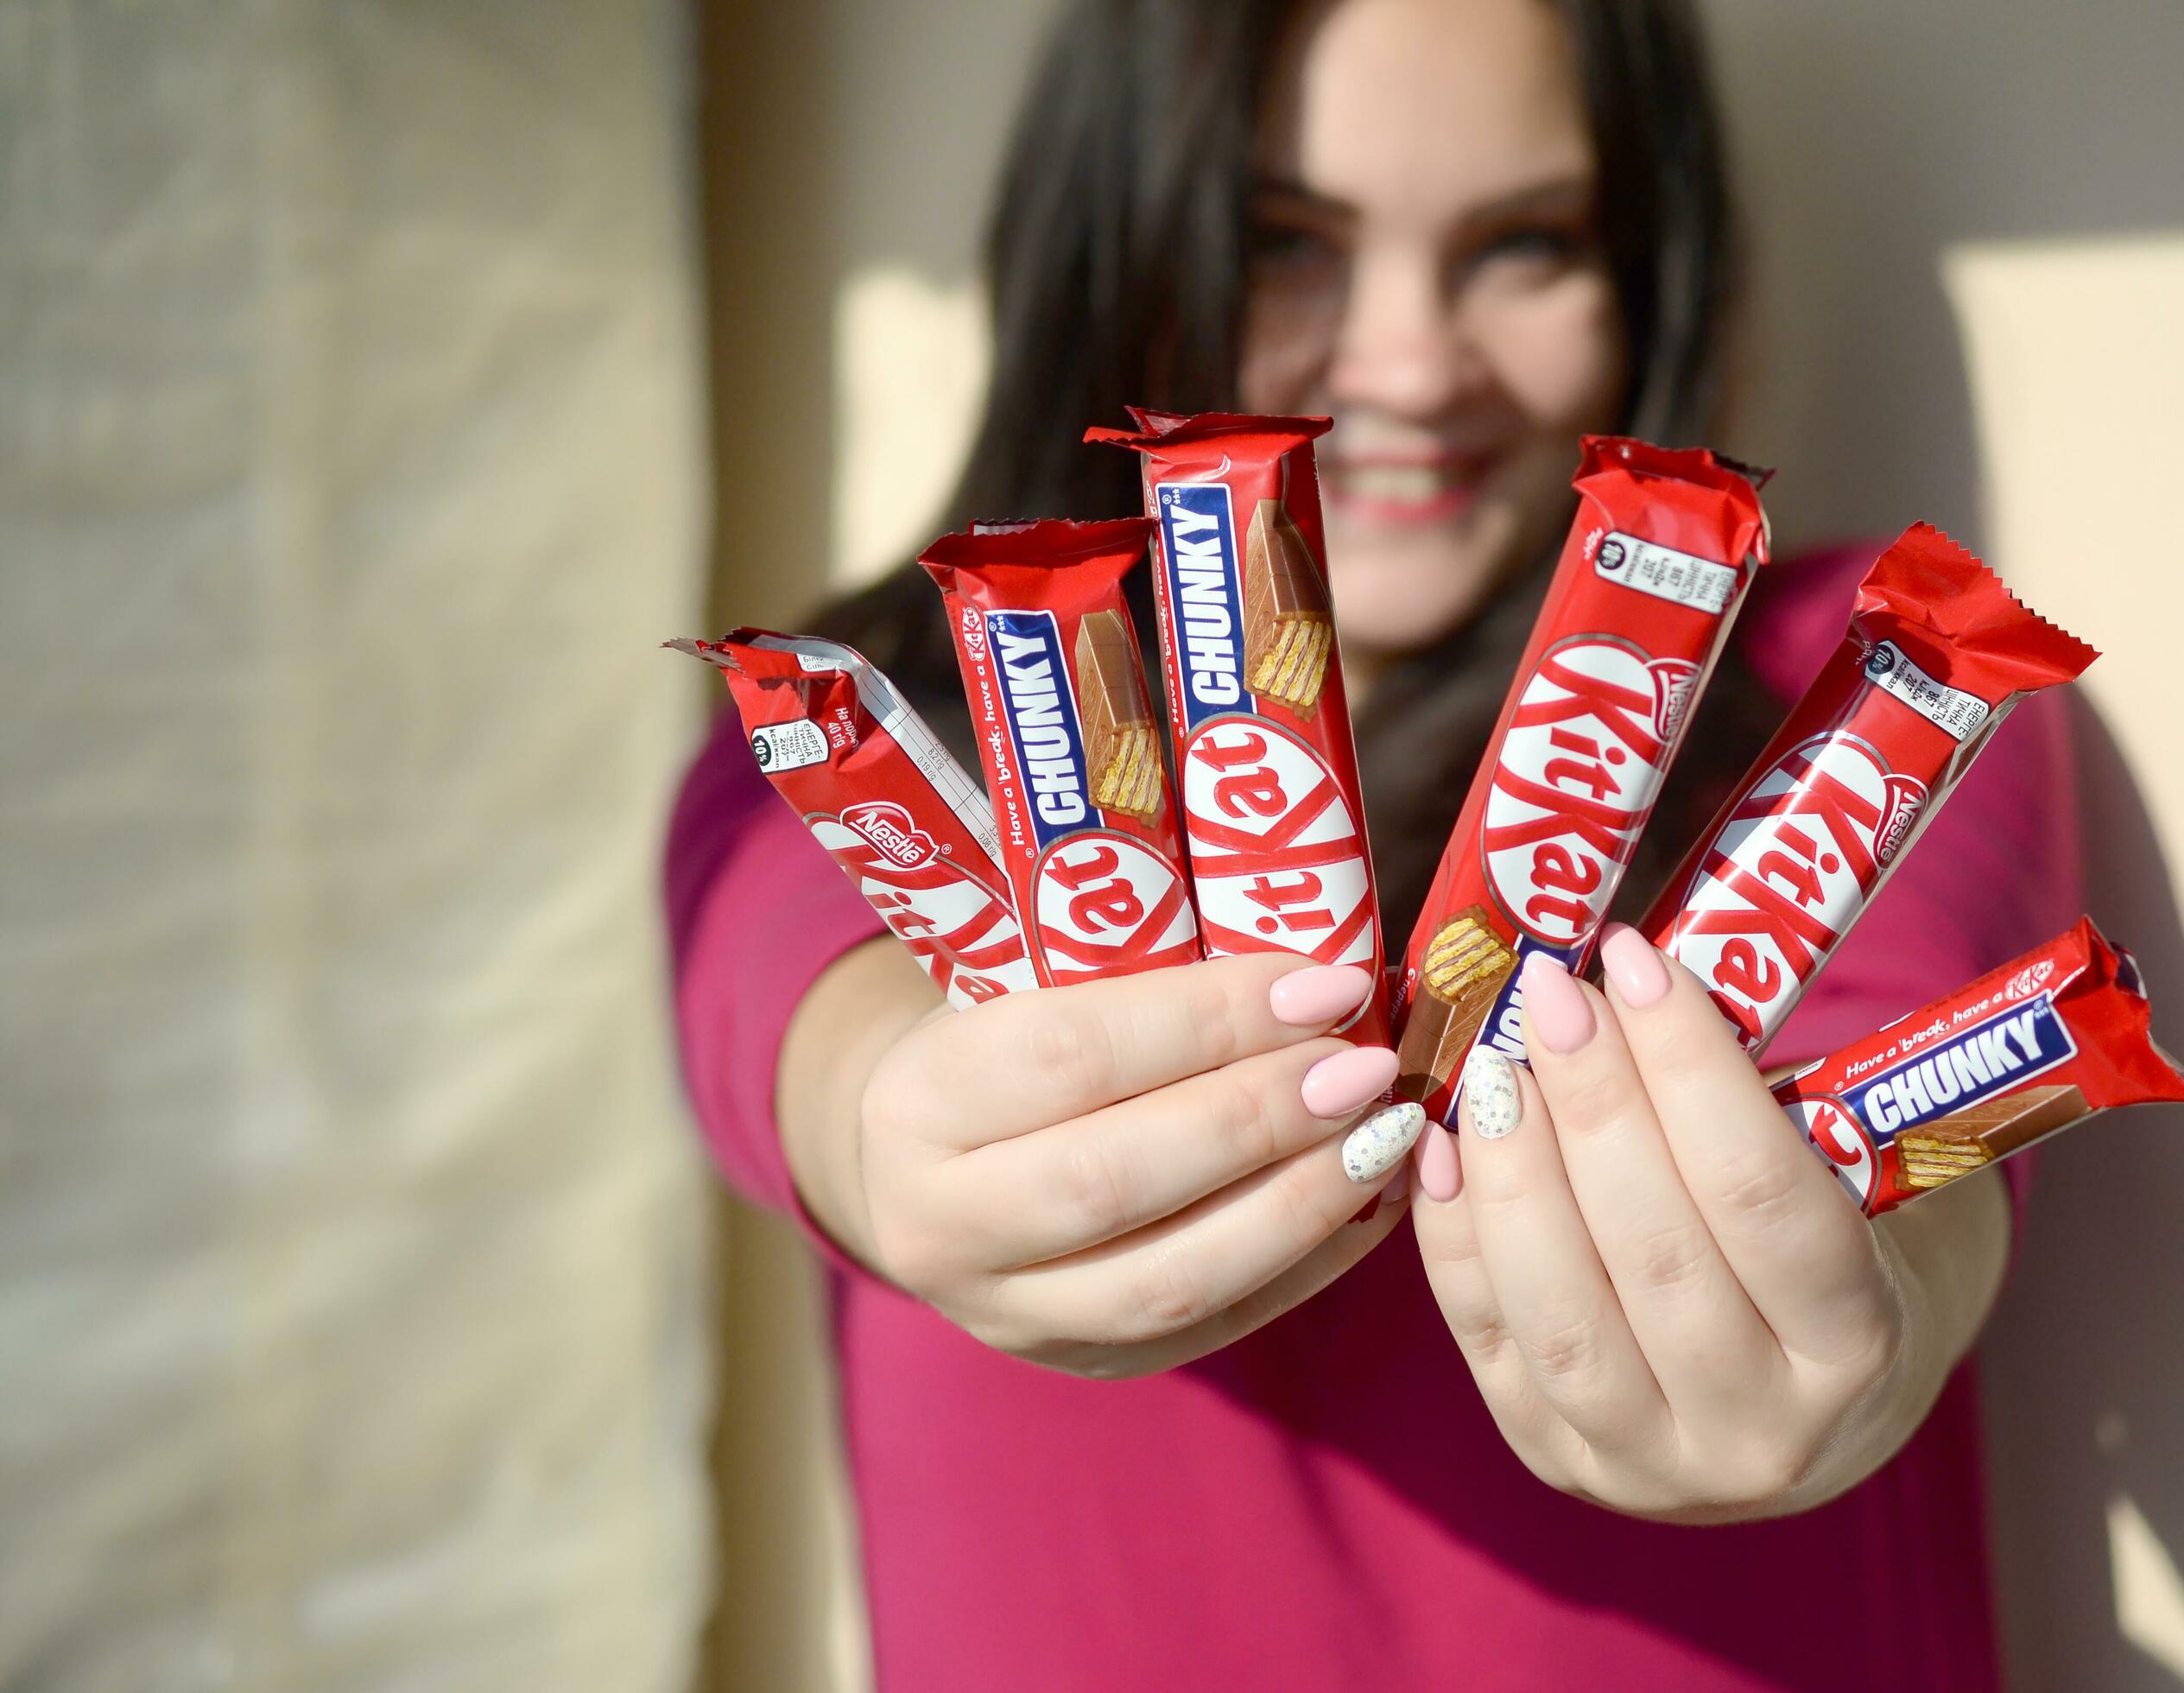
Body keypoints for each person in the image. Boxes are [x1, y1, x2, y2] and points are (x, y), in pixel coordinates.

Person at [667, 0, 2080, 1684]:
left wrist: (1868, 1320)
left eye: (1526, 244)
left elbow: (1930, 1136)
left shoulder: (1843, 686)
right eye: (1285, 240)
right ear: (1111, 247)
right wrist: (899, 1139)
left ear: (1646, 260)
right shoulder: (851, 745)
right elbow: (811, 1033)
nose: (1411, 366)